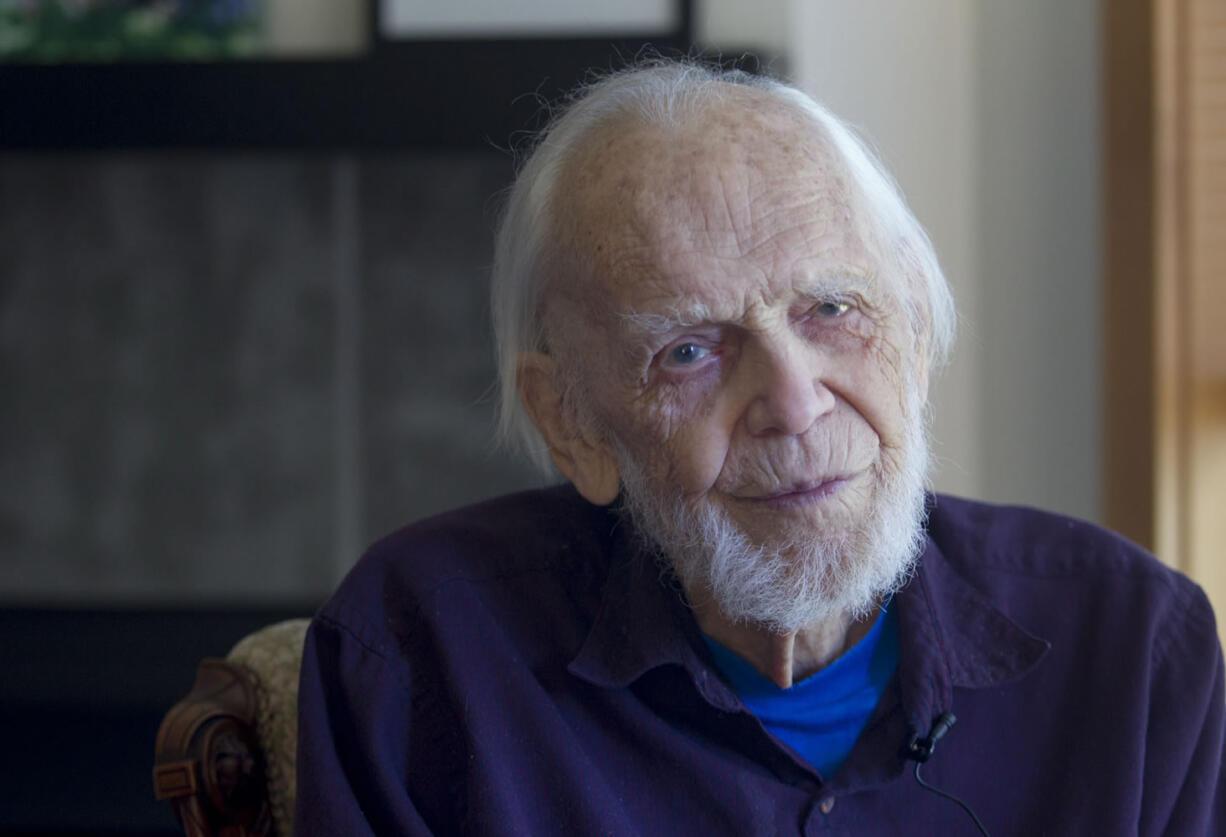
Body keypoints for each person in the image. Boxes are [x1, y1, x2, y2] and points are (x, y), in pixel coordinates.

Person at [293, 61, 1224, 835]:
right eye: (689, 350)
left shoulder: (1135, 651)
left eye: (832, 308)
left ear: (913, 322)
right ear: (571, 419)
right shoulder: (418, 660)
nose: (793, 401)